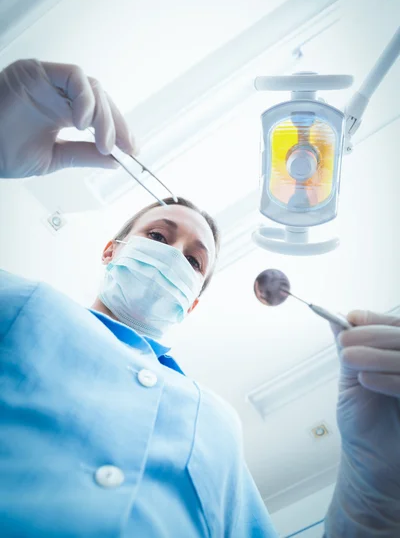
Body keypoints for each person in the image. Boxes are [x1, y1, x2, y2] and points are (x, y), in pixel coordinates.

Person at [0, 59, 399, 537]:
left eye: (194, 262)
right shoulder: (22, 304)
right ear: (112, 250)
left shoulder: (216, 422)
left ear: (191, 302)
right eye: (157, 235)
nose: (173, 256)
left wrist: (376, 501)